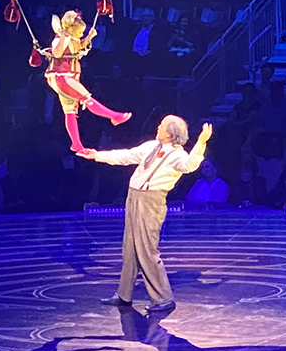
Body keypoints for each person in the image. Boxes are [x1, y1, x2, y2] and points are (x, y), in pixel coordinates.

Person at [80, 116, 212, 315]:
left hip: (151, 201)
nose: (157, 127)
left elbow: (190, 165)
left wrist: (201, 142)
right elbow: (126, 156)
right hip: (134, 197)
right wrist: (97, 155)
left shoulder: (177, 155)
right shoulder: (151, 146)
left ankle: (164, 298)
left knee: (147, 250)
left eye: (162, 125)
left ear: (170, 133)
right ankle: (124, 295)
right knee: (130, 248)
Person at [39, 9, 131, 154]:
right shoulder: (61, 38)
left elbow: (79, 47)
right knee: (86, 97)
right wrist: (62, 38)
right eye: (80, 32)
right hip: (62, 77)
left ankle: (76, 144)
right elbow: (57, 53)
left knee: (69, 111)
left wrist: (88, 37)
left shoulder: (73, 39)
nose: (81, 35)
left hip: (68, 76)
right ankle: (114, 116)